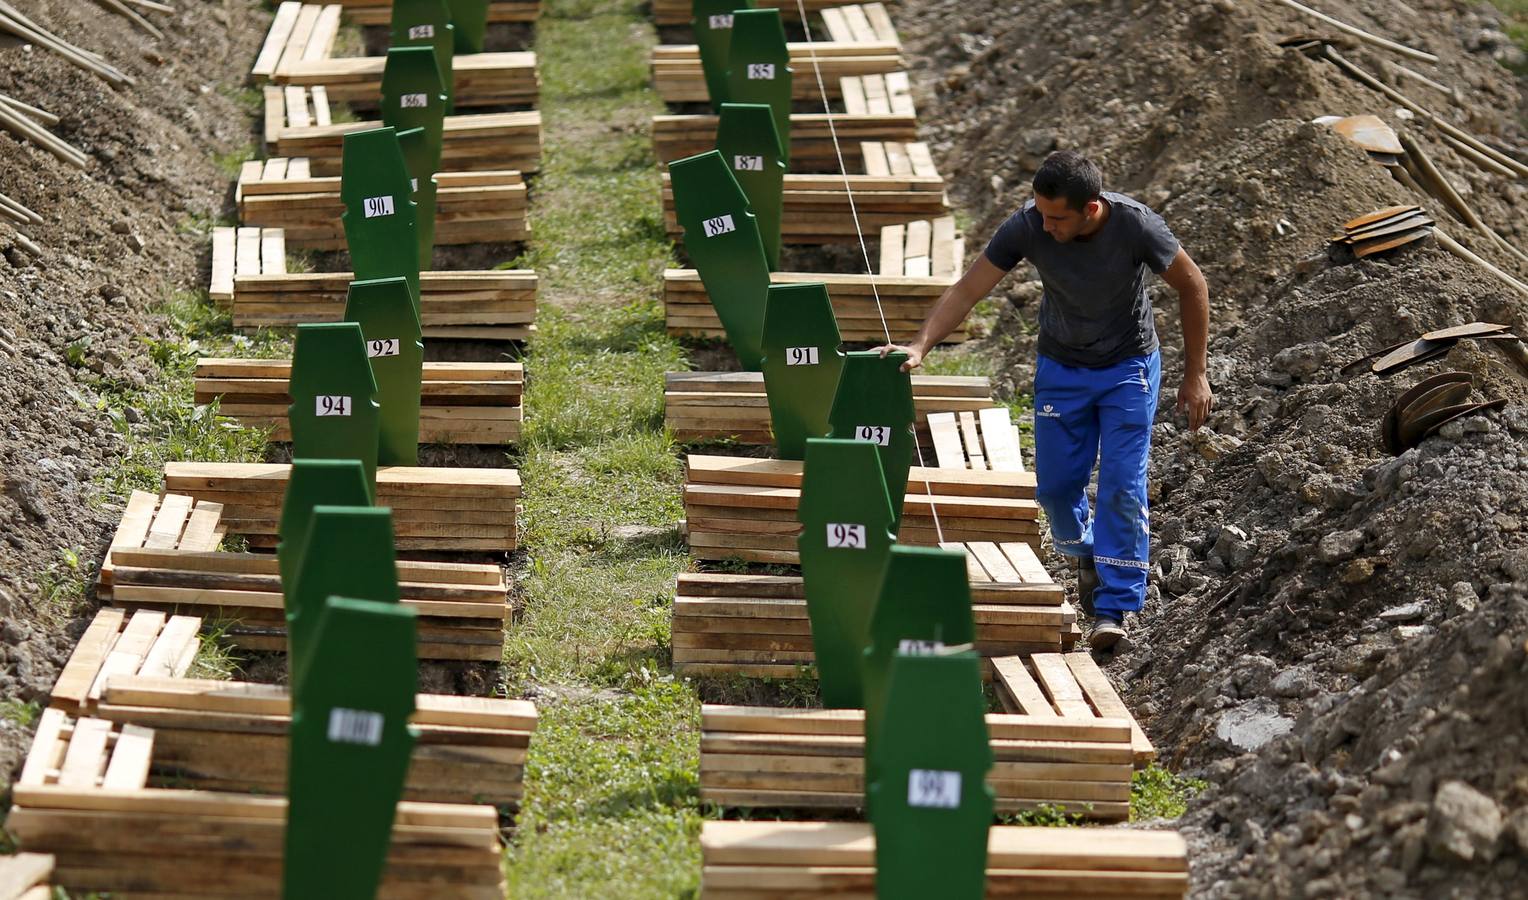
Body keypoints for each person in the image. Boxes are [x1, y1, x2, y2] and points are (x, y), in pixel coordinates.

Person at [879, 150, 1212, 652]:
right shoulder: (1028, 226)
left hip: (1128, 368)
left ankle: (1113, 606)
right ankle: (1085, 552)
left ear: (1092, 208)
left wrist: (1197, 374)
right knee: (1056, 489)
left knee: (1122, 484)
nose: (1046, 225)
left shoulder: (1138, 226)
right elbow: (969, 288)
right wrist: (920, 344)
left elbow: (1194, 285)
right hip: (1061, 367)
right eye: (1040, 212)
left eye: (1058, 217)